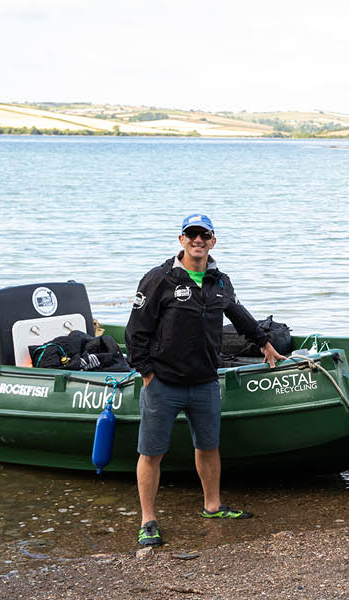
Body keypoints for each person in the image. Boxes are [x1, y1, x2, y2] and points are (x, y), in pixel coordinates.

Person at [125, 214, 286, 546]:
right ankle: (148, 520)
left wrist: (264, 343)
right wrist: (146, 373)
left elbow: (238, 315)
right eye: (191, 234)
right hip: (163, 382)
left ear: (213, 241)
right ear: (181, 240)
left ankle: (212, 506)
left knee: (209, 447)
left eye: (205, 235)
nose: (198, 240)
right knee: (151, 452)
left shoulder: (220, 281)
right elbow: (135, 330)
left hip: (204, 382)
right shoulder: (159, 278)